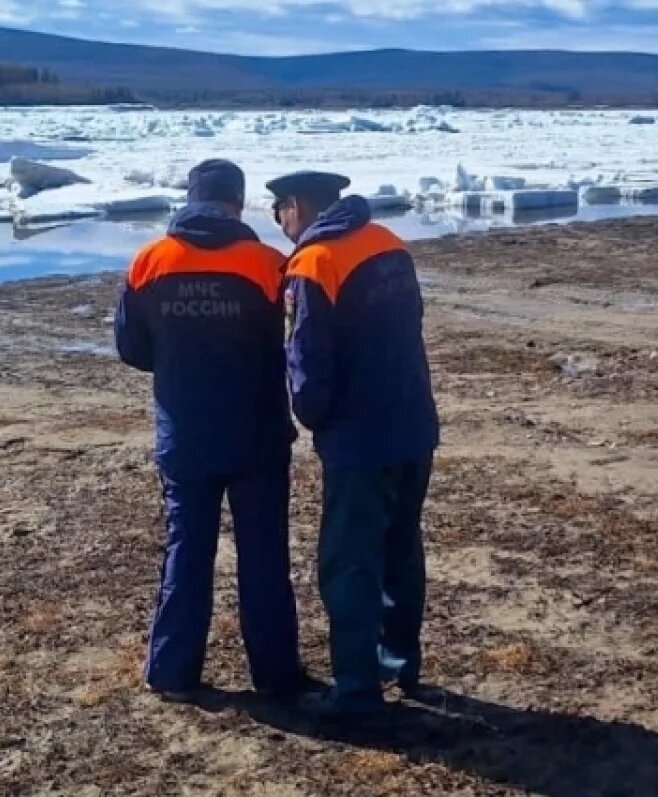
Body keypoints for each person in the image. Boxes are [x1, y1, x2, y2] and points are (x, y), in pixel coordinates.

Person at [115, 159, 304, 703]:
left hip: (185, 433)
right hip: (258, 435)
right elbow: (293, 340)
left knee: (186, 551)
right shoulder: (268, 263)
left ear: (191, 198)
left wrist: (180, 362)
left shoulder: (149, 261)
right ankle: (276, 675)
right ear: (238, 204)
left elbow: (131, 348)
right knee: (265, 557)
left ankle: (172, 672)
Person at [268, 171, 440, 718]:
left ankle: (357, 688)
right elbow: (410, 322)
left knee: (349, 561)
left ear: (297, 206)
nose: (278, 222)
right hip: (413, 423)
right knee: (401, 548)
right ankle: (400, 662)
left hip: (361, 439)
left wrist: (309, 414)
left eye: (279, 211)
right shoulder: (390, 244)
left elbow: (308, 359)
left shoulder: (316, 263)